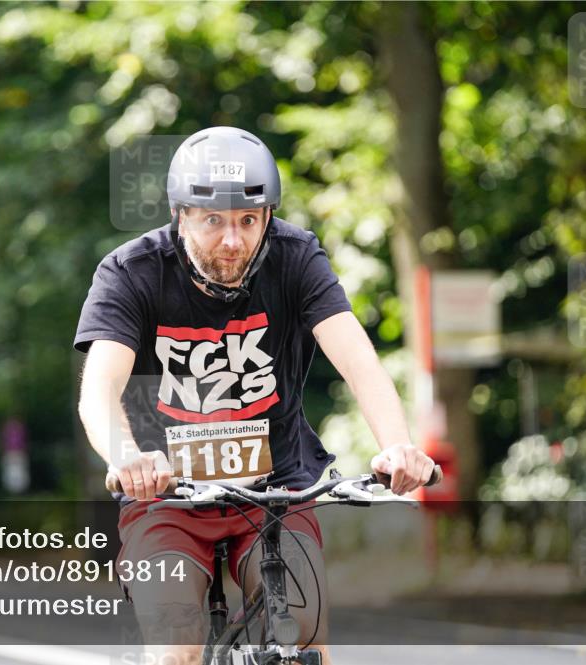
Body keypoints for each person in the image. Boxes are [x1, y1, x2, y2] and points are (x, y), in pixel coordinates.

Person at [75, 126, 437, 665]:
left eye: (248, 220)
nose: (232, 240)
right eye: (213, 220)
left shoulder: (296, 258)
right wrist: (128, 458)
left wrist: (398, 445)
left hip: (276, 490)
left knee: (306, 637)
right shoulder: (132, 273)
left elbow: (360, 364)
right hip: (166, 494)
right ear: (181, 215)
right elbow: (99, 391)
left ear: (268, 216)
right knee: (176, 649)